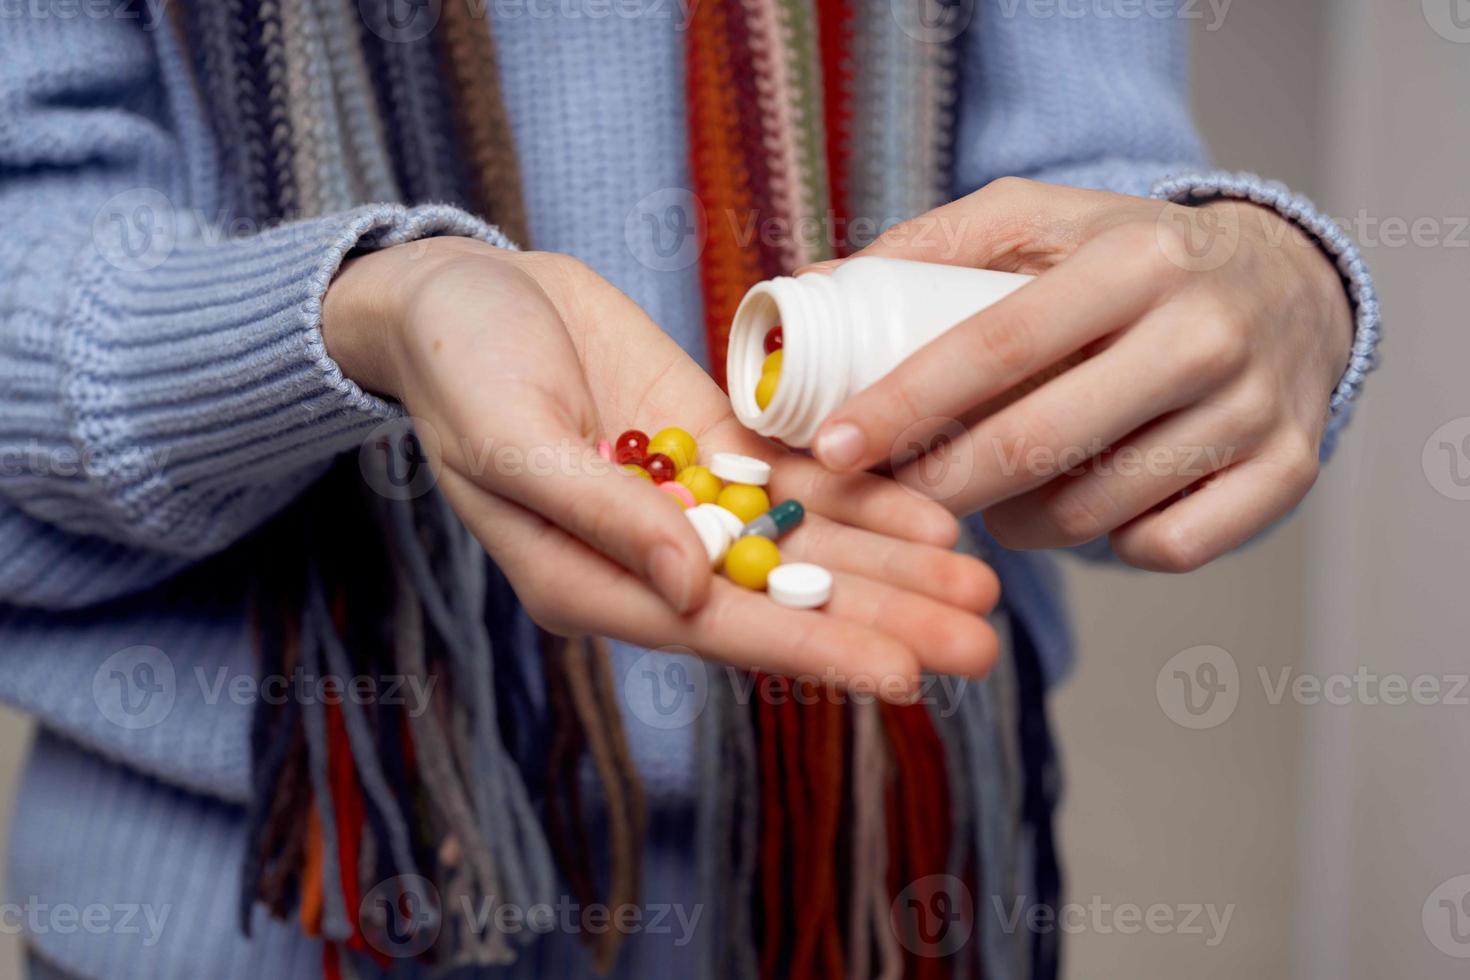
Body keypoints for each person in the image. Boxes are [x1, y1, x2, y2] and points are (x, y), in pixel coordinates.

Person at [0, 1, 1376, 978]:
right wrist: (372, 311)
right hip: (254, 909)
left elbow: (1091, 207)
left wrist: (1268, 278)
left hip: (885, 897)